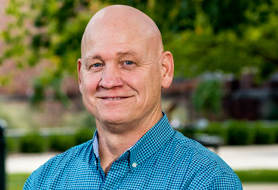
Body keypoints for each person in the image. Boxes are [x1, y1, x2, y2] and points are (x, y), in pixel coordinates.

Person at [24, 5, 242, 189]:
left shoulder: (207, 181)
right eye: (97, 64)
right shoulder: (44, 182)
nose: (109, 81)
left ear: (164, 70)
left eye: (128, 62)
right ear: (81, 76)